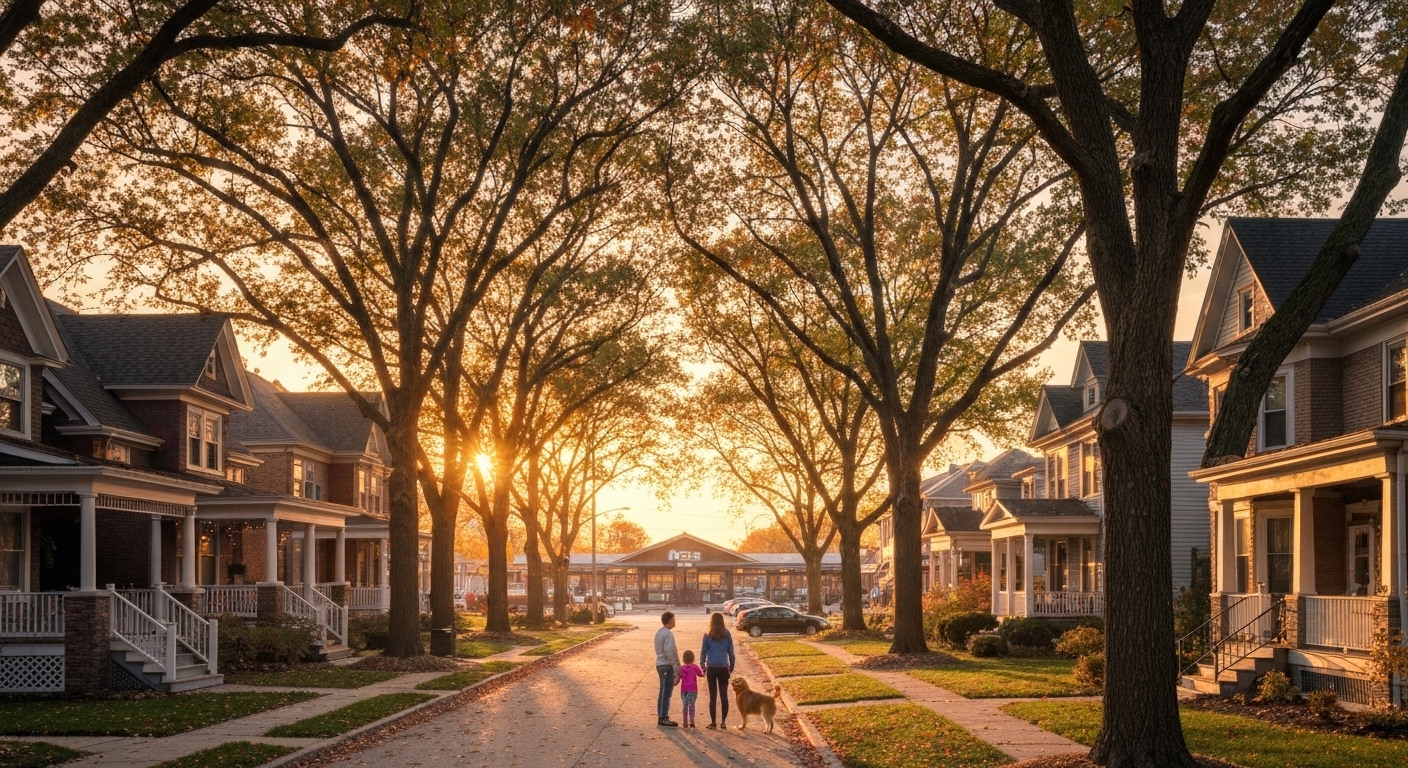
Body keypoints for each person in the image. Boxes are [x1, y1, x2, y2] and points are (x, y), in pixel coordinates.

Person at [699, 610, 735, 729]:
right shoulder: (727, 634)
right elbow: (731, 653)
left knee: (713, 696)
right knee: (724, 695)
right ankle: (723, 722)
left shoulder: (708, 634)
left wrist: (703, 667)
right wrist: (731, 667)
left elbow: (703, 652)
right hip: (723, 667)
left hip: (712, 668)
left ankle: (713, 722)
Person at [654, 611, 679, 727]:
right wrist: (677, 668)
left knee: (662, 691)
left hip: (659, 663)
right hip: (666, 664)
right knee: (666, 692)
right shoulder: (668, 634)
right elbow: (671, 652)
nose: (675, 621)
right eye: (674, 619)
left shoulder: (659, 632)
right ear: (670, 621)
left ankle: (661, 715)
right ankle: (663, 717)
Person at [678, 650, 703, 728]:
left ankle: (685, 722)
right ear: (693, 658)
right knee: (691, 705)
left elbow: (679, 677)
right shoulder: (695, 667)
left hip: (684, 690)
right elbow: (700, 674)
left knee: (685, 705)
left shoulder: (681, 668)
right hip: (692, 689)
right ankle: (692, 722)